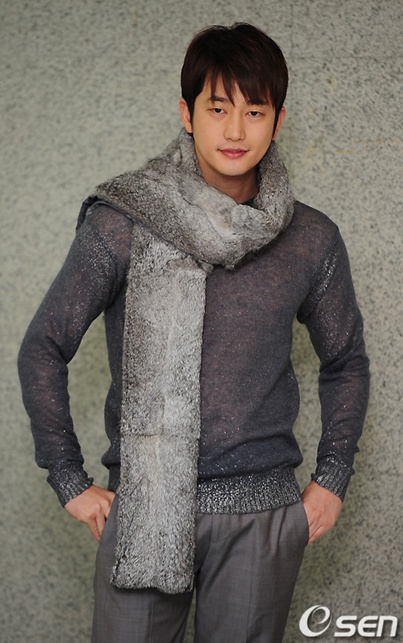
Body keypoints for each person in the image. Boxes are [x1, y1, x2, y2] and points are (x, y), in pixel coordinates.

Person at [18, 22, 370, 643]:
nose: (235, 131)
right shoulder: (123, 222)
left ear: (278, 122)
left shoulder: (311, 238)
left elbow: (346, 361)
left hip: (262, 516)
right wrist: (69, 480)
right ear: (187, 114)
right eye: (217, 108)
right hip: (145, 509)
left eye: (254, 111)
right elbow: (43, 347)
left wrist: (332, 478)